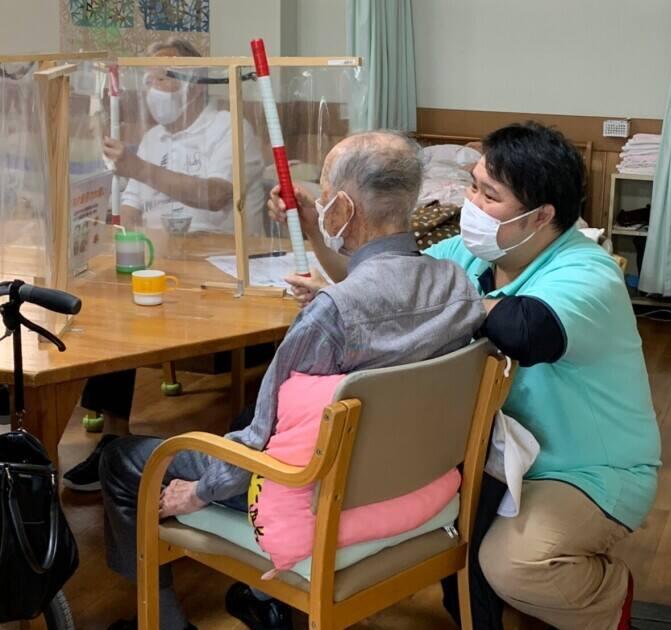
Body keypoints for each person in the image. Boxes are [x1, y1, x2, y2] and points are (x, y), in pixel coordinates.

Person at [277, 122, 661, 630]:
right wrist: (317, 238)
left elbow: (528, 330)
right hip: (496, 452)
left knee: (513, 566)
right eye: (473, 183)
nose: (470, 202)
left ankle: (607, 598)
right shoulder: (471, 254)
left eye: (489, 194)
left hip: (584, 470)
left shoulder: (587, 272)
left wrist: (431, 304)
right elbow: (385, 286)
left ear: (540, 216)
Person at [97, 130, 486, 630]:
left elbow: (260, 441)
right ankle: (270, 602)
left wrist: (200, 492)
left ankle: (164, 620)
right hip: (411, 480)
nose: (320, 206)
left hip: (315, 490)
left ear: (343, 209)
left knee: (120, 459)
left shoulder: (333, 314)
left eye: (323, 197)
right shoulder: (459, 286)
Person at [63, 37, 266, 493]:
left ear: (193, 84)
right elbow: (130, 205)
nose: (151, 86)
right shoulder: (153, 138)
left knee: (126, 307)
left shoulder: (230, 128)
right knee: (107, 299)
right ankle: (113, 436)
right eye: (148, 77)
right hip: (162, 262)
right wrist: (129, 238)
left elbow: (217, 194)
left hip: (219, 268)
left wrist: (137, 167)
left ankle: (121, 447)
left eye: (161, 77)